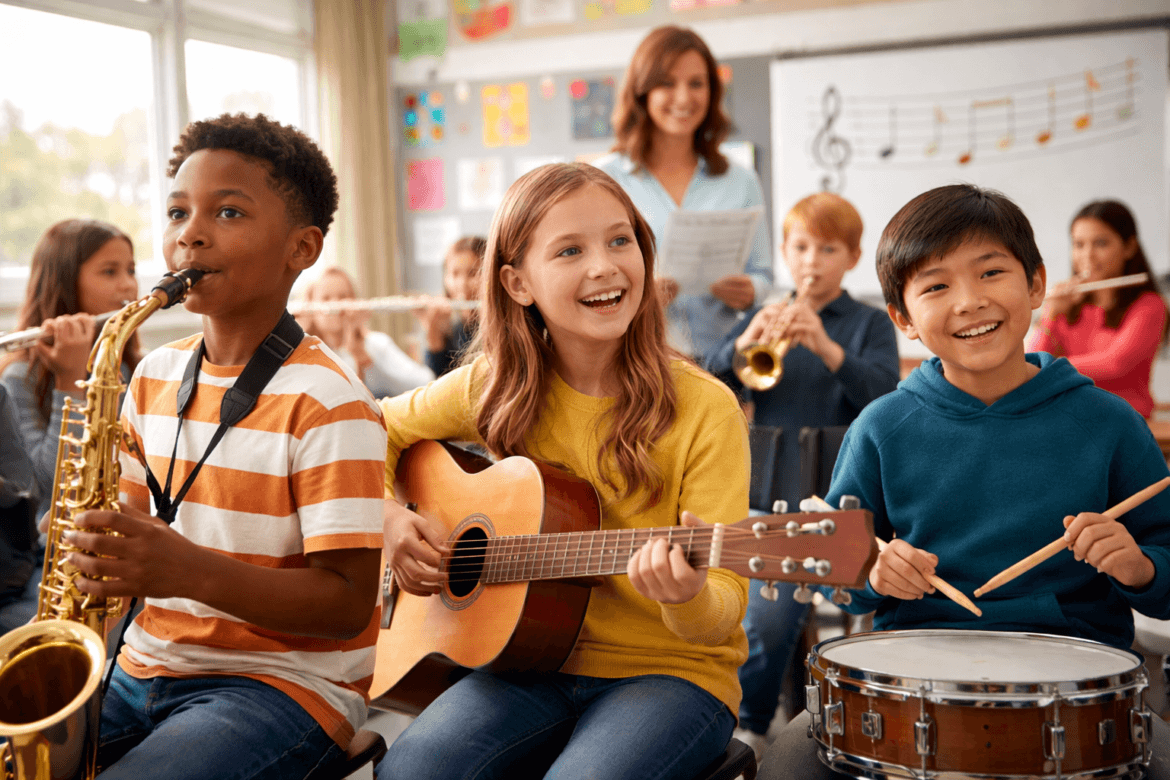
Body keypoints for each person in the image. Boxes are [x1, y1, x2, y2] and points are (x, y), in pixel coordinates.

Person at [757, 184, 1170, 780]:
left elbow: (1166, 568)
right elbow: (840, 576)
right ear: (902, 318)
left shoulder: (1110, 423)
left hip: (1083, 691)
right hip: (907, 686)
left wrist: (1140, 567)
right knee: (787, 767)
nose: (969, 302)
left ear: (1035, 285)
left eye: (991, 272)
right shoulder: (881, 427)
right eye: (936, 286)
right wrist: (873, 574)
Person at [375, 162, 751, 780]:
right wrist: (388, 514)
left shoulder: (705, 408)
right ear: (518, 283)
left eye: (619, 240)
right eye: (570, 250)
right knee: (408, 770)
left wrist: (686, 597)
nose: (603, 266)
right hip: (527, 662)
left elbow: (724, 610)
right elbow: (376, 432)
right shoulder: (495, 384)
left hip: (672, 673)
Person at [61, 113, 388, 779]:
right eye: (178, 211)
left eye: (229, 212)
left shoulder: (329, 400)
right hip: (140, 668)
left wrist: (186, 570)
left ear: (302, 249)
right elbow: (129, 550)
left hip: (280, 686)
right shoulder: (150, 376)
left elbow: (348, 604)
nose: (190, 234)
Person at [705, 192, 898, 757]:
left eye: (828, 248)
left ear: (853, 256)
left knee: (768, 615)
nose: (812, 260)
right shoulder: (762, 316)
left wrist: (828, 347)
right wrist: (743, 344)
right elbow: (713, 394)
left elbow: (886, 397)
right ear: (786, 253)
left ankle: (751, 727)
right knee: (737, 612)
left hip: (837, 503)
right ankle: (749, 719)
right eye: (801, 247)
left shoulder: (866, 323)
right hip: (764, 493)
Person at [597, 25, 772, 360]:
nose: (683, 98)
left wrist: (750, 290)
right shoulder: (606, 179)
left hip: (723, 359)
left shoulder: (740, 180)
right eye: (667, 83)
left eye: (696, 83)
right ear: (642, 90)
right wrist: (641, 292)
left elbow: (763, 274)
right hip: (636, 360)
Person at [0, 219, 141, 524]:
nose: (129, 285)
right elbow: (47, 490)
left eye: (131, 270)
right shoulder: (19, 376)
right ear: (64, 282)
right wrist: (71, 381)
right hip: (50, 551)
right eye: (109, 271)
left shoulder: (132, 365)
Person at [1028, 199, 1167, 418]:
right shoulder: (1068, 307)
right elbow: (1031, 359)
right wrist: (1050, 314)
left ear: (1129, 247)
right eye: (1079, 244)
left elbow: (1115, 364)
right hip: (1071, 419)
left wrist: (1045, 368)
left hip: (1126, 423)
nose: (1088, 256)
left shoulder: (1150, 305)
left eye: (1101, 243)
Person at [299, 266, 435, 397]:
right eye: (326, 298)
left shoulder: (377, 344)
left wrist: (365, 360)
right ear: (311, 306)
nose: (335, 304)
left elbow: (425, 382)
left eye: (342, 296)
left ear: (354, 301)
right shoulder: (307, 355)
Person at [414, 235, 486, 377]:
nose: (462, 284)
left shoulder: (505, 325)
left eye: (472, 273)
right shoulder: (453, 326)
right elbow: (440, 381)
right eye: (454, 274)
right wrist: (432, 329)